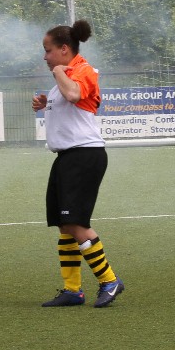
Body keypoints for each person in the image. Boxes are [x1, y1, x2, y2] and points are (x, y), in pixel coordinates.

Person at [31, 21, 124, 308]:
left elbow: (74, 94)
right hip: (67, 157)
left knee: (75, 223)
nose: (45, 57)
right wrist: (46, 102)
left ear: (64, 49)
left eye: (48, 50)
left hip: (84, 155)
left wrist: (59, 71)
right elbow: (69, 102)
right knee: (64, 225)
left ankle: (110, 280)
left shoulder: (83, 70)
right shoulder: (64, 77)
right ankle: (72, 290)